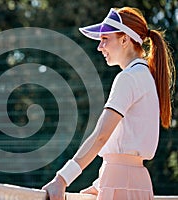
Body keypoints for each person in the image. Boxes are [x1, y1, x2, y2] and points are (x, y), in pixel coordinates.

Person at [42, 7, 175, 200]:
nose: (99, 46)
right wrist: (101, 183)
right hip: (138, 182)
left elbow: (101, 136)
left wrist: (62, 179)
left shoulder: (128, 77)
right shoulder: (145, 76)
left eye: (105, 39)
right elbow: (128, 143)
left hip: (119, 182)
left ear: (124, 40)